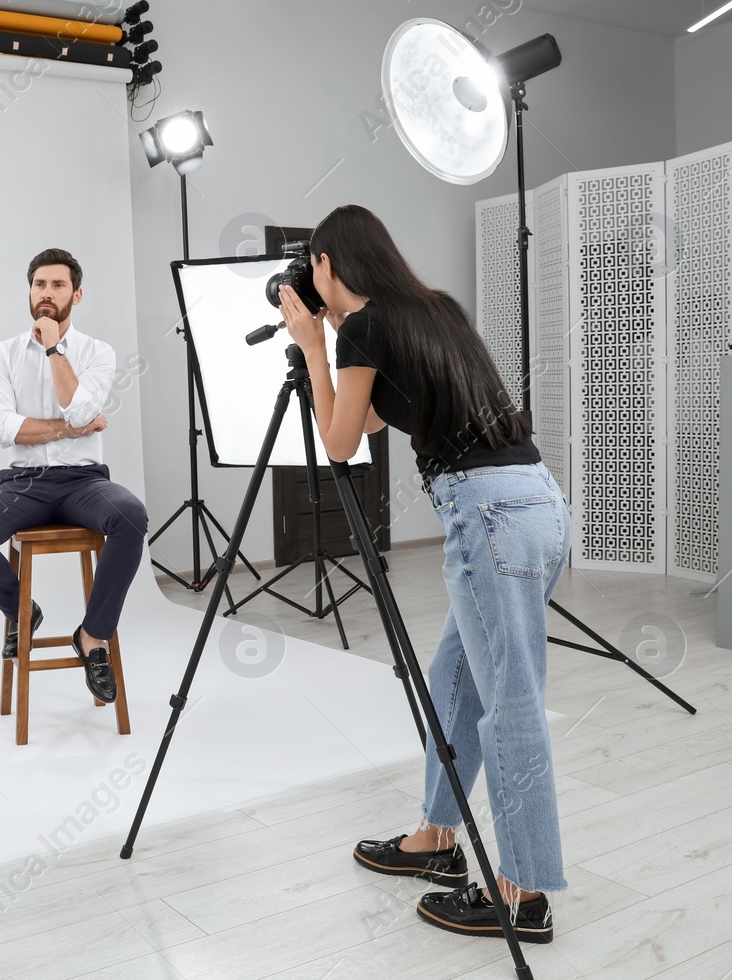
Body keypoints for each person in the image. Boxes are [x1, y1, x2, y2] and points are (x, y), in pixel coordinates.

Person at [277, 205, 569, 945]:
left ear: (326, 265)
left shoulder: (365, 326)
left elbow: (340, 443)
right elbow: (370, 418)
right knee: (457, 682)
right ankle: (438, 836)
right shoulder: (433, 309)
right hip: (538, 500)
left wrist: (312, 342)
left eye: (313, 267)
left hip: (490, 516)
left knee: (510, 703)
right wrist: (328, 349)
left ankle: (523, 892)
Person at [0, 248, 148, 703]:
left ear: (76, 296)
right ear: (30, 292)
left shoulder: (97, 352)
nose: (46, 293)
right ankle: (22, 610)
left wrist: (54, 348)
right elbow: (2, 428)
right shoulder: (4, 354)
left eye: (57, 285)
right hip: (25, 482)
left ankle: (92, 637)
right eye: (39, 284)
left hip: (84, 481)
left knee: (131, 515)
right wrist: (72, 427)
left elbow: (80, 406)